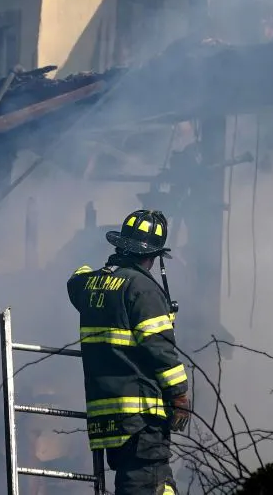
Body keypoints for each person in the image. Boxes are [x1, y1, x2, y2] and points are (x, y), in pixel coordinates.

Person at [67, 209, 190, 495]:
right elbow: (160, 349)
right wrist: (179, 395)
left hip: (105, 419)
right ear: (153, 255)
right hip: (141, 419)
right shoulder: (143, 290)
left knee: (139, 482)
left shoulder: (91, 284)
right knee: (150, 483)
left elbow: (76, 279)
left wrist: (100, 270)